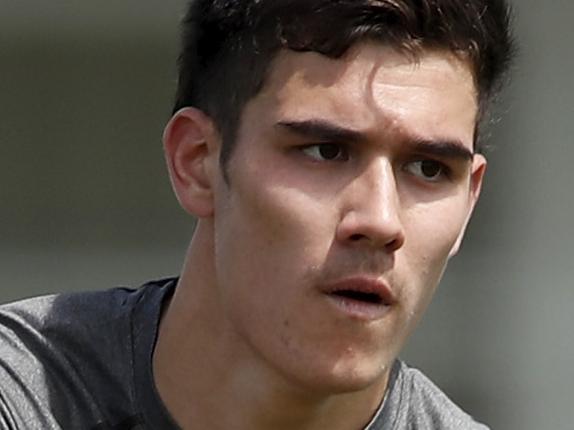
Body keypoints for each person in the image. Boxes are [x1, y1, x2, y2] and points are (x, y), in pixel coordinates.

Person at [0, 1, 515, 429]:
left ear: (469, 201)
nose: (380, 220)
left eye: (428, 168)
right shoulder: (26, 397)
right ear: (197, 162)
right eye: (325, 151)